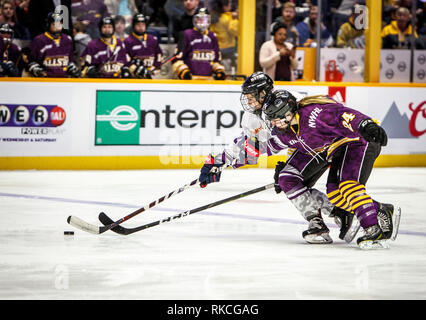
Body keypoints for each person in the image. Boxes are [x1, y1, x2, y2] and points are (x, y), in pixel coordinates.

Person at [198, 71, 360, 245]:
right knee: (289, 181)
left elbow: (303, 133)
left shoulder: (290, 100)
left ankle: (344, 213)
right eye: (246, 97)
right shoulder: (251, 117)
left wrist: (288, 163)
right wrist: (220, 160)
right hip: (302, 151)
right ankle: (326, 218)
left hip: (320, 147)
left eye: (251, 96)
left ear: (263, 93)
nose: (248, 101)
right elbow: (251, 146)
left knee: (288, 178)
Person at [261, 88, 400, 249]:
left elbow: (343, 115)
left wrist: (365, 124)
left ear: (287, 112)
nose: (273, 123)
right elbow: (268, 147)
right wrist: (228, 159)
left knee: (349, 185)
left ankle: (373, 229)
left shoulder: (313, 114)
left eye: (275, 118)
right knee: (335, 195)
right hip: (341, 149)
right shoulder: (286, 132)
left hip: (360, 140)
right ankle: (380, 210)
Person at [171, 7, 226, 80]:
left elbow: (215, 61)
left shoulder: (212, 37)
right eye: (199, 19)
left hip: (208, 82)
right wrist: (183, 72)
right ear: (194, 20)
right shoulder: (187, 34)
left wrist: (219, 70)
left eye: (204, 19)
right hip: (190, 82)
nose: (202, 21)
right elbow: (176, 59)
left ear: (209, 20)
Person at [28, 12, 79, 78]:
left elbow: (70, 61)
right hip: (46, 81)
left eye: (60, 23)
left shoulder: (67, 39)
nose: (58, 26)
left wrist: (72, 68)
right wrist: (37, 70)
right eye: (55, 23)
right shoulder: (39, 40)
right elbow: (31, 61)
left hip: (65, 80)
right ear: (48, 24)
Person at [124, 13, 163, 79]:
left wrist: (155, 66)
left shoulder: (152, 39)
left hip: (151, 75)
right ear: (133, 25)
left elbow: (159, 54)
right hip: (134, 77)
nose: (141, 27)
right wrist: (136, 69)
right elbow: (125, 59)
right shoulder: (128, 41)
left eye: (143, 25)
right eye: (138, 25)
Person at [209, 0, 239, 70]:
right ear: (224, 6)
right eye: (229, 4)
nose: (231, 6)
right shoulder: (227, 18)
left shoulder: (213, 17)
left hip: (216, 49)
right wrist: (235, 19)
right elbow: (235, 31)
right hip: (229, 49)